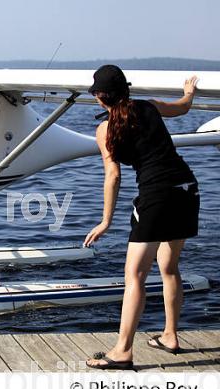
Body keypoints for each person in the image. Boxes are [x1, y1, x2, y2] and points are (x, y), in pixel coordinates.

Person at [84, 65, 199, 370]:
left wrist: (106, 220)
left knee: (134, 276)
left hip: (156, 196)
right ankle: (170, 335)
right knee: (169, 266)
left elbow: (113, 175)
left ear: (99, 97)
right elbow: (183, 108)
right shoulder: (148, 107)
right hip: (187, 188)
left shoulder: (105, 129)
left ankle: (122, 351)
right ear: (126, 89)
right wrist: (188, 92)